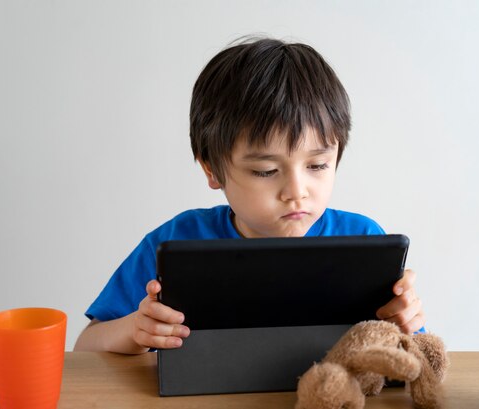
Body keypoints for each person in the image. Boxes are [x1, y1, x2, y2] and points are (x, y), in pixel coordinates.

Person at [74, 37, 426, 354]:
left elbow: (420, 357)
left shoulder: (363, 240)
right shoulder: (177, 241)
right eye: (265, 171)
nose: (296, 192)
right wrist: (136, 330)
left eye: (317, 165)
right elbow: (86, 345)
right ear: (212, 170)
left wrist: (404, 325)